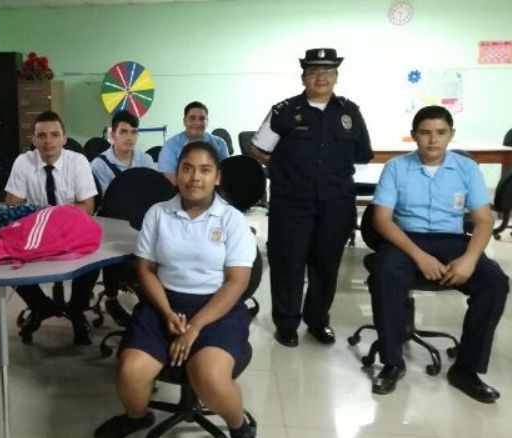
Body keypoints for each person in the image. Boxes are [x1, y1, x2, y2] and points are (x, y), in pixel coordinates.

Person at [94, 141, 260, 438]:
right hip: (163, 303)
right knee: (130, 372)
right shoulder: (158, 214)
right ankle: (137, 417)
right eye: (187, 168)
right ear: (177, 173)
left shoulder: (232, 220)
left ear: (217, 177)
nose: (195, 177)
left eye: (205, 170)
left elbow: (236, 283)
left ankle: (240, 429)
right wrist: (167, 312)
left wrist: (195, 326)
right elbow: (146, 270)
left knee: (208, 378)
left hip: (217, 308)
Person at [368, 105, 508, 401]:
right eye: (425, 133)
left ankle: (466, 369)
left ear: (451, 134)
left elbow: (484, 220)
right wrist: (420, 256)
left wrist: (469, 259)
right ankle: (392, 363)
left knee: (495, 282)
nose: (433, 140)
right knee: (384, 273)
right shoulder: (396, 167)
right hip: (406, 240)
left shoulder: (467, 168)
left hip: (453, 240)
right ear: (414, 135)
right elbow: (381, 220)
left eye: (441, 132)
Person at [251, 48, 373, 348]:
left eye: (327, 72)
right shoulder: (283, 111)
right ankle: (287, 323)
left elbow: (362, 154)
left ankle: (317, 320)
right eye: (314, 72)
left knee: (326, 265)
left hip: (335, 203)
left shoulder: (349, 112)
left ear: (336, 77)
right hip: (291, 202)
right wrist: (287, 169)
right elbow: (259, 149)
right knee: (288, 263)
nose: (321, 77)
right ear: (303, 77)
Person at [5, 110, 99, 345]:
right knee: (6, 257)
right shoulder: (23, 162)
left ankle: (76, 309)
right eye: (42, 136)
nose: (48, 141)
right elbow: (13, 206)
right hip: (36, 232)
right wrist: (44, 223)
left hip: (70, 230)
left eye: (55, 135)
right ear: (34, 140)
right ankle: (39, 305)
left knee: (93, 258)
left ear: (64, 138)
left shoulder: (78, 162)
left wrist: (51, 220)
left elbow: (87, 206)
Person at [91, 109, 157, 326]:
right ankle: (111, 298)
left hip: (141, 220)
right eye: (124, 132)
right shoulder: (99, 164)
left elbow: (152, 195)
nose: (130, 137)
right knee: (111, 251)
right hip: (112, 221)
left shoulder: (145, 160)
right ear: (113, 134)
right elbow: (104, 199)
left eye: (134, 132)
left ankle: (149, 298)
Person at [158, 101, 229, 184]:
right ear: (184, 121)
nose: (197, 123)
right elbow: (170, 179)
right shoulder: (170, 146)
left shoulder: (220, 143)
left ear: (207, 122)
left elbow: (225, 174)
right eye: (192, 118)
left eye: (202, 119)